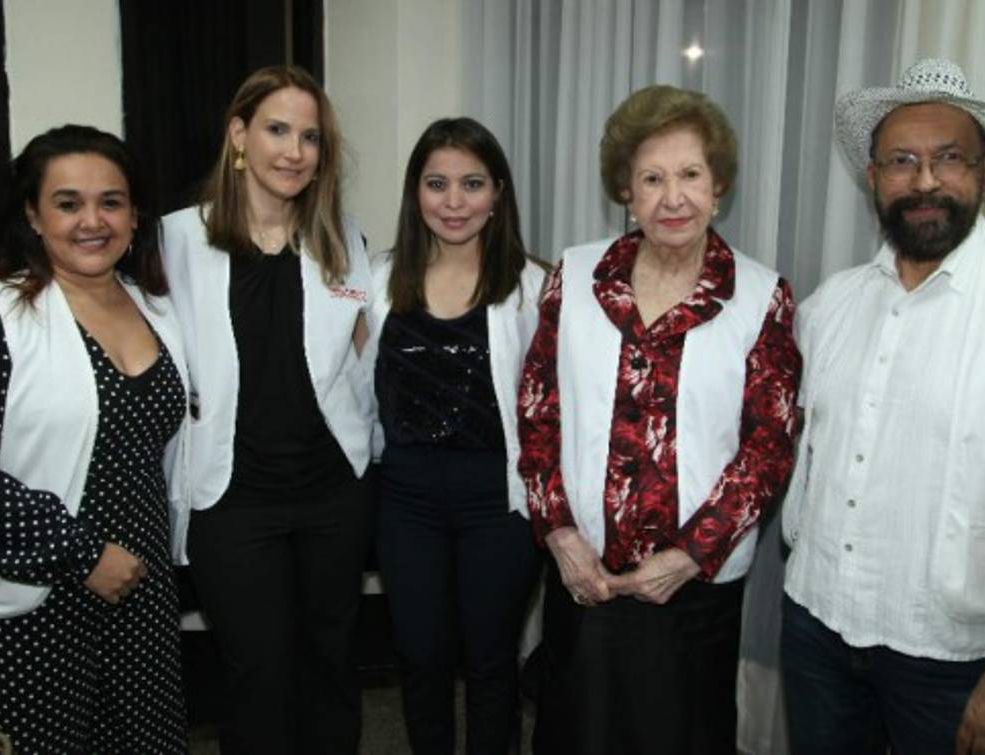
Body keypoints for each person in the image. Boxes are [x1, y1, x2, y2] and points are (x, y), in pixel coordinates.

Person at [780, 58, 985, 755]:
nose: (924, 180)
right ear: (872, 178)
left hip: (955, 661)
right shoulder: (827, 306)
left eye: (948, 158)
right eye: (901, 160)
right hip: (816, 626)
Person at [517, 84, 802, 754]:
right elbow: (537, 413)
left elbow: (768, 445)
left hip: (692, 590)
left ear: (718, 184)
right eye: (652, 178)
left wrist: (687, 555)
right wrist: (559, 535)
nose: (673, 197)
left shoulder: (762, 295)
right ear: (626, 191)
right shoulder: (577, 274)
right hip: (583, 576)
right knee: (575, 733)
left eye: (690, 175)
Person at [0, 124, 190, 753]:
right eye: (68, 203)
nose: (92, 221)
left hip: (140, 588)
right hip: (33, 600)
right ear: (34, 216)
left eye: (110, 202)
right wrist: (84, 555)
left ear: (134, 214)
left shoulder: (155, 305)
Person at [160, 65, 376, 753]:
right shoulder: (175, 241)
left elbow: (360, 364)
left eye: (309, 136)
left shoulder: (343, 239)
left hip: (331, 494)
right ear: (238, 136)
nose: (293, 151)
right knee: (256, 674)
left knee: (333, 665)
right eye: (277, 129)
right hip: (232, 499)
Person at [368, 117, 544, 754]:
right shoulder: (376, 280)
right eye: (436, 183)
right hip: (406, 500)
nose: (453, 201)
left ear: (498, 192)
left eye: (471, 183)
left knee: (491, 662)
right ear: (416, 192)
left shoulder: (535, 287)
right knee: (420, 660)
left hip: (496, 504)